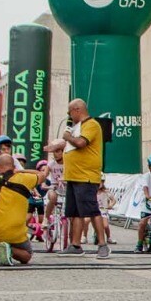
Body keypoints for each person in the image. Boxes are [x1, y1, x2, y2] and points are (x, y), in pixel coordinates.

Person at [56, 99, 109, 258]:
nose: (69, 116)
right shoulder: (77, 127)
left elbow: (80, 143)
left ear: (77, 110)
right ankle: (75, 244)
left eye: (70, 112)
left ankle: (102, 244)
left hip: (85, 176)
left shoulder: (91, 125)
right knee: (75, 212)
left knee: (91, 210)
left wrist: (67, 137)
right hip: (73, 176)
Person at [0, 154, 39, 266]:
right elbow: (42, 174)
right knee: (27, 255)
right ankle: (9, 249)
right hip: (14, 232)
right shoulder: (24, 179)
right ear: (14, 167)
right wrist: (20, 171)